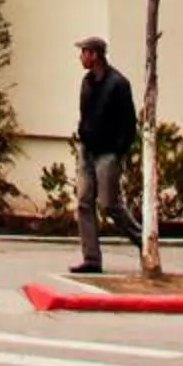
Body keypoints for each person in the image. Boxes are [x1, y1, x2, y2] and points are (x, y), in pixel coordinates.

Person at [70, 34, 140, 273]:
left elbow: (129, 122)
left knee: (109, 204)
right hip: (87, 150)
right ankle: (91, 259)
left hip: (108, 153)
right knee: (84, 202)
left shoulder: (118, 84)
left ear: (94, 55)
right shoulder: (87, 82)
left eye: (84, 52)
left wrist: (119, 151)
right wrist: (83, 137)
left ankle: (142, 240)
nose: (81, 57)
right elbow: (85, 114)